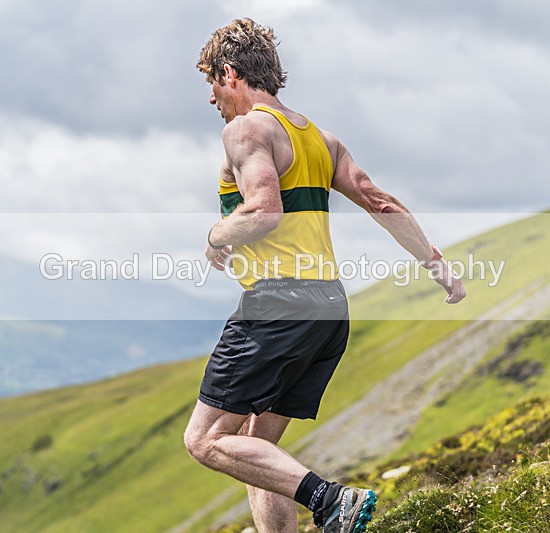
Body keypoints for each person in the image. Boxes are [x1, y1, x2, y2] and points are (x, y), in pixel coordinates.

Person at [183, 18, 466, 533]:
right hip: (328, 309)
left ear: (230, 73)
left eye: (212, 83)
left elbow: (263, 210)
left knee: (205, 439)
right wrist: (436, 264)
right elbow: (379, 202)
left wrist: (216, 236)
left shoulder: (246, 130)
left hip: (277, 307)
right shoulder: (321, 140)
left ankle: (332, 500)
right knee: (256, 445)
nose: (211, 98)